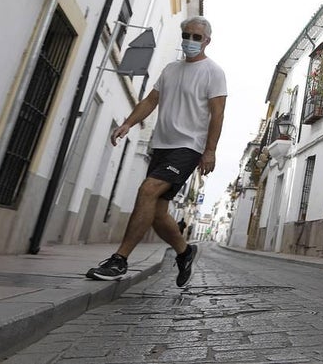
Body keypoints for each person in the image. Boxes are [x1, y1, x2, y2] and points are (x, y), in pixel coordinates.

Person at [86, 16, 227, 287]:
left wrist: (210, 151)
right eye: (186, 35)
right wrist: (128, 123)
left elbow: (218, 113)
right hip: (162, 145)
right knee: (158, 214)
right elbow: (151, 100)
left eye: (197, 37)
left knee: (147, 190)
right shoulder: (171, 69)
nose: (190, 41)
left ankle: (119, 260)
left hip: (188, 147)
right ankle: (185, 252)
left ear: (207, 41)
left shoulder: (213, 72)